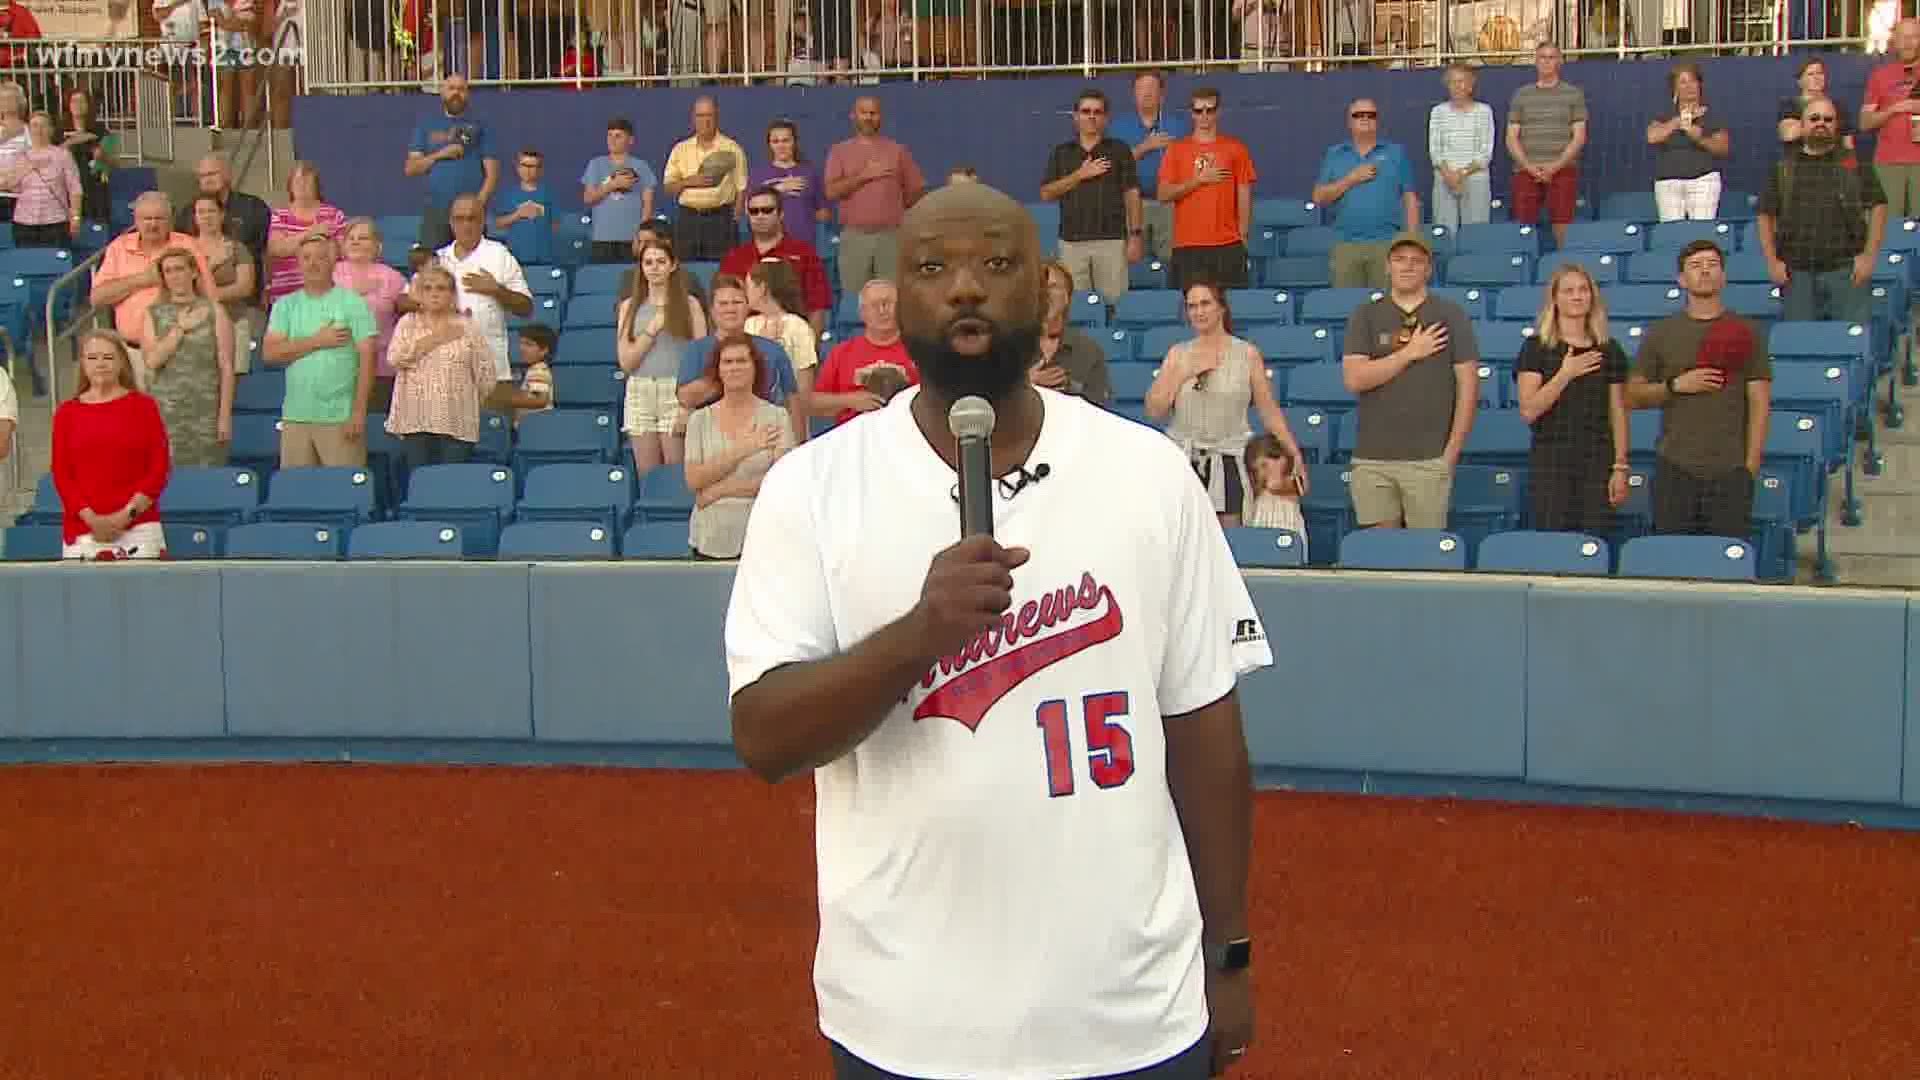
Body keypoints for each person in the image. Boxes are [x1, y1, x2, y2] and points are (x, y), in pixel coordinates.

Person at [725, 182, 1263, 1080]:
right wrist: (918, 636)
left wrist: (1229, 952)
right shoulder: (813, 487)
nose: (967, 288)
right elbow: (765, 738)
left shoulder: (1147, 474)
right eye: (935, 267)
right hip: (907, 1020)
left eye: (998, 264)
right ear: (897, 294)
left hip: (1129, 1015)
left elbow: (1205, 732)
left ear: (1046, 291)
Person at [1626, 240, 1772, 538]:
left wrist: (1750, 465)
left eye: (1712, 264)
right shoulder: (1661, 332)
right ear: (1681, 279)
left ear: (1724, 276)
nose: (1705, 271)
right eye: (1695, 266)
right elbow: (1632, 395)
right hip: (1675, 466)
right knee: (1673, 563)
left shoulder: (1747, 331)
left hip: (1730, 469)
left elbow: (1759, 400)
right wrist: (1676, 386)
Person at [1339, 233, 1480, 530]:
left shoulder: (1450, 314)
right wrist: (1410, 353)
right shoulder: (1366, 314)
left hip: (1429, 459)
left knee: (1424, 556)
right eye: (1400, 259)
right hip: (1373, 459)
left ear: (1428, 269)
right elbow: (1355, 379)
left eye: (1416, 261)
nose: (1407, 266)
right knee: (1381, 554)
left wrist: (1450, 454)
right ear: (1387, 267)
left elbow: (1468, 389)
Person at [1515, 264, 1630, 534]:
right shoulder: (1536, 348)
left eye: (1583, 290)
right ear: (1554, 299)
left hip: (1598, 460)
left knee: (1592, 541)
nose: (1577, 296)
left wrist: (1620, 466)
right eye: (1568, 291)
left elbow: (1618, 412)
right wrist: (1566, 373)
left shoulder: (1609, 349)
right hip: (1550, 460)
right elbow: (1529, 410)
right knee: (1552, 541)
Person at [1756, 98, 1888, 325]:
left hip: (1845, 272)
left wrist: (1869, 257)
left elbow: (1879, 205)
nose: (1821, 124)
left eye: (1828, 119)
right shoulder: (1783, 168)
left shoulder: (1855, 164)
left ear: (1837, 126)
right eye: (1814, 118)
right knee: (1801, 346)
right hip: (1796, 274)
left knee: (1850, 345)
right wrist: (1772, 262)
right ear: (1802, 125)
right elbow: (1764, 214)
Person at [51, 331, 170, 561]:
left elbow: (159, 468)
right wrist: (92, 520)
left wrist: (126, 516)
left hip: (139, 528)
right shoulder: (67, 413)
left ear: (121, 363)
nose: (100, 364)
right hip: (84, 531)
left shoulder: (144, 407)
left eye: (108, 357)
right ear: (83, 363)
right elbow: (62, 474)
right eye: (93, 358)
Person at [684, 333, 794, 559]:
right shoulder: (699, 420)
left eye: (742, 361)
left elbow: (781, 483)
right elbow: (695, 480)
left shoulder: (777, 417)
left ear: (755, 367)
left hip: (763, 535)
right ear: (718, 370)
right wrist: (747, 446)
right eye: (728, 362)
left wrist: (721, 490)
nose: (735, 368)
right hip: (711, 538)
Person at [384, 264, 499, 467]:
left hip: (457, 419)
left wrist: (469, 400)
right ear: (419, 294)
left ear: (452, 294)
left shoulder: (467, 326)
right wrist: (436, 338)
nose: (434, 294)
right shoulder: (407, 323)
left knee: (451, 484)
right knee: (421, 483)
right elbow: (395, 358)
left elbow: (485, 374)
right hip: (416, 420)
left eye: (441, 288)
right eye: (427, 288)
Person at [141, 247, 235, 469]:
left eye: (180, 269)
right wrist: (179, 329)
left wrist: (224, 416)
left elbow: (226, 366)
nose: (175, 276)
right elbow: (152, 361)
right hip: (166, 413)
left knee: (208, 478)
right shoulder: (152, 314)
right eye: (168, 271)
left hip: (206, 411)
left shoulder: (215, 311)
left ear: (193, 272)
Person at [1646, 62, 1730, 222]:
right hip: (1668, 183)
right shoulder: (1664, 115)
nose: (1689, 86)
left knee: (1701, 232)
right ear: (1675, 88)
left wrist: (1699, 138)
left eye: (1692, 81)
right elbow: (1652, 137)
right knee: (1672, 234)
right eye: (1683, 82)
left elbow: (1723, 148)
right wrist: (1678, 122)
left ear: (1700, 85)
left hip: (1703, 181)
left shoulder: (1712, 115)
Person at [1428, 64, 1494, 229]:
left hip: (1475, 179)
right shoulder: (1438, 112)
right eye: (1452, 82)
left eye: (1461, 81)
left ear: (1471, 86)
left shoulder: (1484, 111)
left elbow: (1485, 152)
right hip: (1445, 178)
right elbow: (1435, 150)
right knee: (1445, 233)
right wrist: (1448, 175)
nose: (1457, 86)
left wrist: (1462, 174)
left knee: (1476, 234)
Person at [1242, 433, 1306, 552]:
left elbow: (1299, 489)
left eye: (1265, 465)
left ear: (1282, 459)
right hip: (1263, 529)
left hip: (1289, 529)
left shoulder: (1292, 481)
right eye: (1256, 469)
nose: (1261, 473)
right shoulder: (1258, 495)